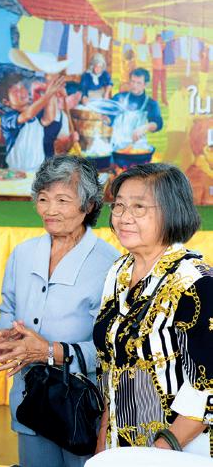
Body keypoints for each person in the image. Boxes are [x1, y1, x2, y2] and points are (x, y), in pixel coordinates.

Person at [0, 155, 119, 467]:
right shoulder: (22, 254)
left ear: (88, 205)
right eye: (43, 198)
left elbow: (111, 347)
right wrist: (11, 338)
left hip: (82, 408)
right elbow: (7, 308)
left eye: (62, 200)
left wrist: (47, 350)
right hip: (30, 398)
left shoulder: (110, 264)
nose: (50, 209)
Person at [93, 163, 211, 457]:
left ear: (171, 211)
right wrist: (103, 446)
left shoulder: (195, 281)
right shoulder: (118, 272)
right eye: (119, 205)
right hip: (122, 446)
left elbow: (208, 387)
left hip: (179, 451)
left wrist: (157, 452)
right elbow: (111, 368)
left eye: (139, 207)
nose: (124, 217)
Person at [0, 72, 65, 172]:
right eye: (16, 91)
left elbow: (48, 119)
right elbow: (27, 115)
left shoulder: (36, 113)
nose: (22, 92)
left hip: (38, 170)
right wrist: (49, 93)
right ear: (6, 102)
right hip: (16, 171)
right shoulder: (7, 118)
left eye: (22, 87)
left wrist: (52, 90)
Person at [110, 68, 163, 151]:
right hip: (116, 147)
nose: (134, 85)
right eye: (133, 81)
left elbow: (158, 123)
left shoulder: (151, 103)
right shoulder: (119, 98)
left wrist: (145, 127)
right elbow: (109, 118)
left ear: (145, 85)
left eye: (139, 83)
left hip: (137, 148)